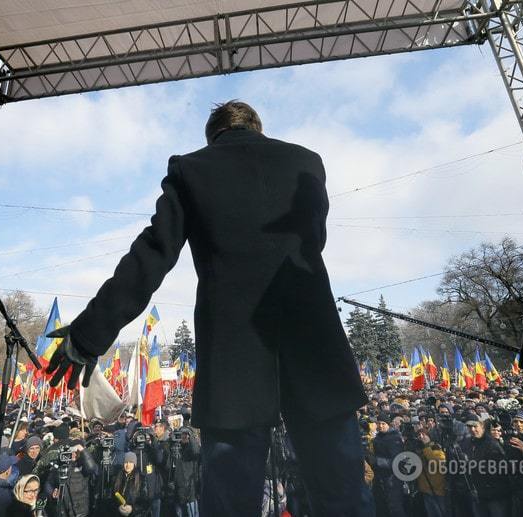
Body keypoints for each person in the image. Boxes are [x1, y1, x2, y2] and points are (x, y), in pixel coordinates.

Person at [45, 100, 372, 516]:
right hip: (316, 353)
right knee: (343, 495)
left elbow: (151, 256)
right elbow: (315, 240)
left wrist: (89, 334)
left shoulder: (192, 169)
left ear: (212, 136)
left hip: (235, 363)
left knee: (231, 504)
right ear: (258, 127)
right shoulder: (307, 162)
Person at [113, 452, 149, 516]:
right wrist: (118, 508)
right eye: (126, 462)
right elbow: (112, 498)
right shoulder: (117, 477)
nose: (128, 465)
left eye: (131, 462)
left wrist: (132, 509)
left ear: (134, 464)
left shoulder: (141, 479)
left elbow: (146, 502)